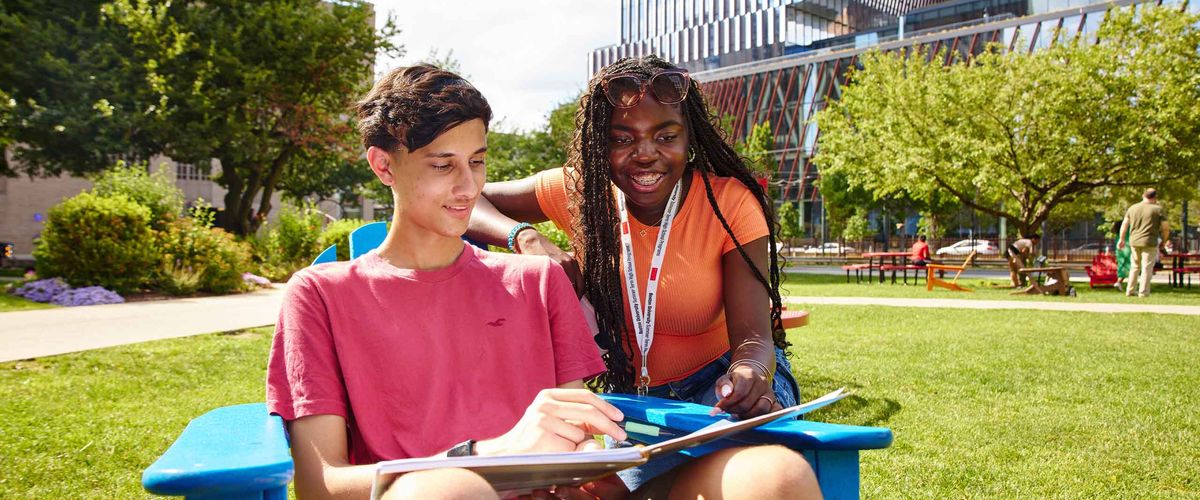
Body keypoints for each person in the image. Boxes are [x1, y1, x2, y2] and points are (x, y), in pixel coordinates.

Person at [266, 65, 630, 500]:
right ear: (384, 166)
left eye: (478, 161)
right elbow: (321, 484)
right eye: (443, 165)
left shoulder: (538, 282)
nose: (468, 186)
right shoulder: (320, 295)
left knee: (733, 473)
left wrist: (586, 470)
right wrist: (488, 458)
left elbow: (575, 438)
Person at [467, 56, 820, 498]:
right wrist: (525, 237)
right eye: (622, 138)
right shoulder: (581, 191)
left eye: (666, 136)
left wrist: (749, 372)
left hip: (724, 391)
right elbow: (467, 195)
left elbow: (753, 338)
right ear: (600, 143)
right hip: (636, 405)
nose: (646, 153)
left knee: (748, 478)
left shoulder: (729, 204)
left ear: (689, 138)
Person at [1117, 188, 1172, 297]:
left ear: (1143, 195)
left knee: (1135, 266)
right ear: (1155, 197)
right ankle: (1143, 292)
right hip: (1149, 241)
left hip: (1134, 241)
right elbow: (1165, 228)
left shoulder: (1133, 208)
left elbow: (1125, 224)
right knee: (1147, 267)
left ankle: (1130, 290)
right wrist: (1164, 241)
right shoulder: (1158, 210)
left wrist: (1122, 239)